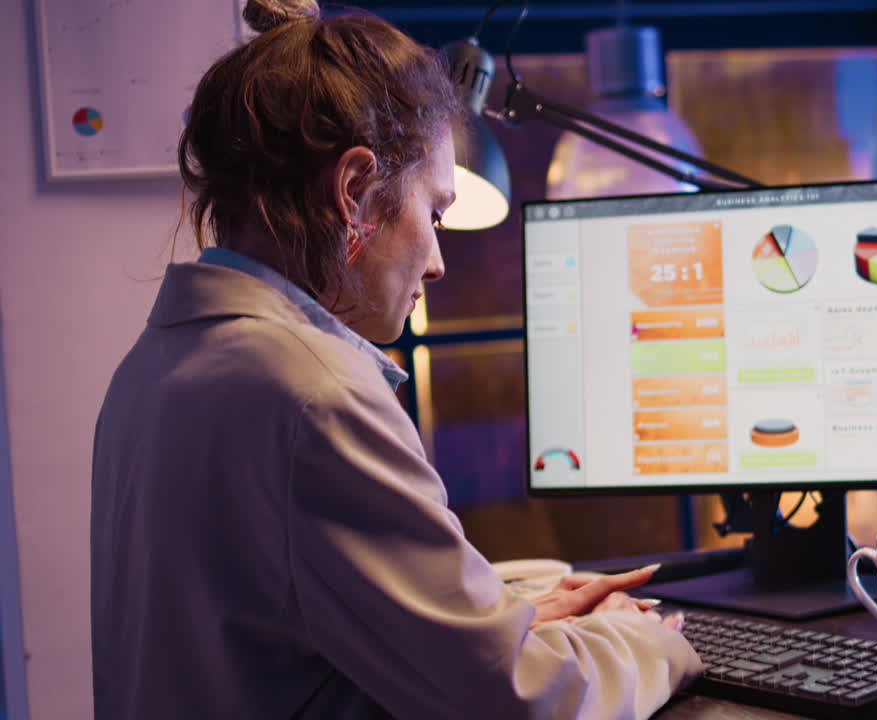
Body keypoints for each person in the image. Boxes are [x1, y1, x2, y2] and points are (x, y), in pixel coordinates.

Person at [89, 0, 702, 717]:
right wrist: (644, 644)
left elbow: (280, 632)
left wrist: (510, 620)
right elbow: (519, 701)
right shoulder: (311, 395)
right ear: (355, 193)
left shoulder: (156, 365)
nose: (438, 262)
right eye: (434, 213)